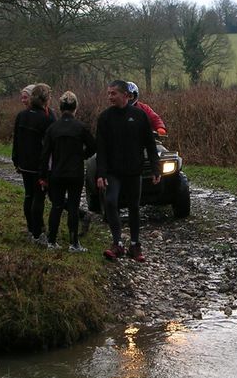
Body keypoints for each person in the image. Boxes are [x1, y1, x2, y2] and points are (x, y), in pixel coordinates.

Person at [95, 79, 160, 262]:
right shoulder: (105, 118)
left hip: (134, 171)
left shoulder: (139, 116)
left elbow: (150, 144)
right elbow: (101, 148)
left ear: (126, 95)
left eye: (113, 93)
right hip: (113, 171)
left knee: (134, 207)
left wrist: (155, 168)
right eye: (108, 93)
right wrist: (101, 173)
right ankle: (117, 243)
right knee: (110, 202)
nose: (110, 97)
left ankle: (134, 245)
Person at [41, 91, 96, 252]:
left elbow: (45, 155)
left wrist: (43, 176)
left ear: (60, 108)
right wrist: (82, 156)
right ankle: (74, 243)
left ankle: (51, 241)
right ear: (75, 108)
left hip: (57, 173)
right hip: (75, 172)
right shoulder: (81, 127)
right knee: (73, 206)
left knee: (56, 206)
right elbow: (93, 146)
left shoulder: (52, 128)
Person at [11, 82, 54, 243]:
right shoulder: (47, 118)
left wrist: (16, 160)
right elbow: (51, 144)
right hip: (39, 165)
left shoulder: (22, 116)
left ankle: (31, 228)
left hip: (24, 164)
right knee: (39, 198)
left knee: (28, 196)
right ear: (46, 99)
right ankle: (37, 233)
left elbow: (16, 140)